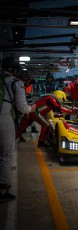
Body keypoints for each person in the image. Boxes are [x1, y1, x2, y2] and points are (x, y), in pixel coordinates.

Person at [0, 57, 36, 202]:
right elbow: (22, 107)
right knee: (6, 155)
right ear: (15, 70)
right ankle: (2, 190)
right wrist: (31, 108)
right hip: (3, 118)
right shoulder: (16, 82)